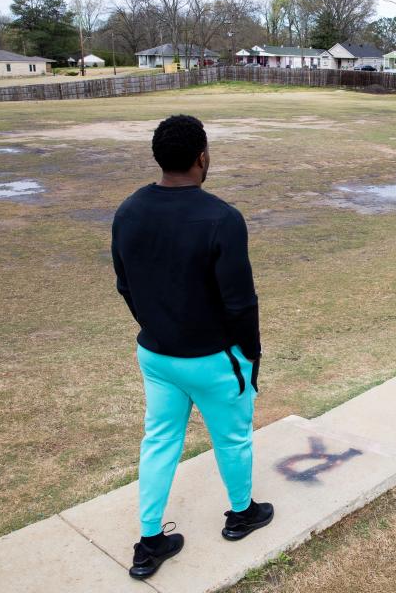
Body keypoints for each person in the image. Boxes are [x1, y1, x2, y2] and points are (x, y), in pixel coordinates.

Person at [111, 114, 273, 580]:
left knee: (159, 442)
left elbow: (125, 285)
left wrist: (157, 325)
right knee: (232, 437)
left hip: (156, 356)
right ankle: (241, 514)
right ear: (202, 156)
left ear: (159, 157)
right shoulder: (222, 218)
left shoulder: (129, 210)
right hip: (213, 359)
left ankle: (149, 543)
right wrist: (251, 354)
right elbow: (241, 302)